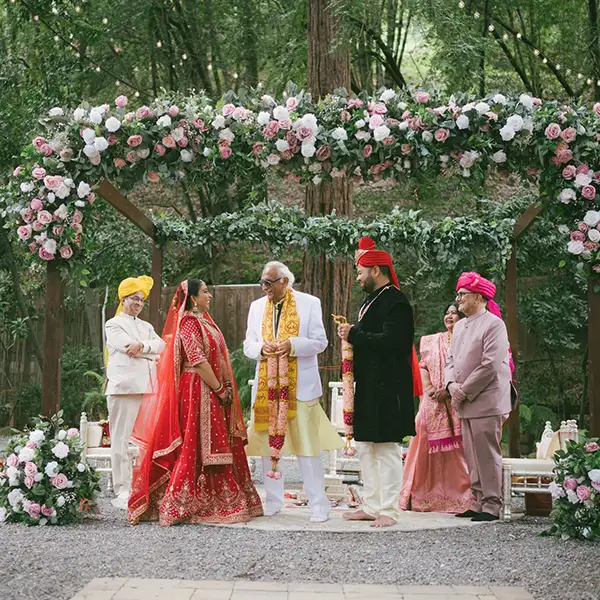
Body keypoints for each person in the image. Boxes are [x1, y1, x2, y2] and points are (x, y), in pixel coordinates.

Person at [127, 279, 263, 525]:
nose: (209, 296)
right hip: (196, 389)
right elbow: (198, 361)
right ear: (193, 298)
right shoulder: (189, 323)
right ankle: (182, 504)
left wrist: (225, 386)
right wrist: (219, 388)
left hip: (212, 388)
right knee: (193, 441)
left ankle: (218, 499)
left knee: (214, 440)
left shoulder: (207, 323)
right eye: (205, 292)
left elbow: (220, 358)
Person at [244, 261, 343, 523]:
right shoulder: (256, 307)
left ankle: (318, 505)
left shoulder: (309, 303)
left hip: (300, 386)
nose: (264, 288)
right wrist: (261, 349)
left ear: (284, 282)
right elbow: (248, 345)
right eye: (262, 282)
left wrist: (293, 345)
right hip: (267, 386)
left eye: (269, 283)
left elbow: (320, 342)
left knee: (307, 446)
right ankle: (273, 501)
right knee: (268, 446)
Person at [338, 237, 422, 528]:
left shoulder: (396, 302)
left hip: (389, 387)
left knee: (385, 449)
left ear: (376, 270)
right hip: (369, 386)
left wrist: (354, 334)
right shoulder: (372, 300)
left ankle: (389, 509)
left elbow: (394, 343)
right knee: (365, 447)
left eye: (361, 272)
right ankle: (372, 505)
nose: (358, 278)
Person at [444, 272, 512, 522]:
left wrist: (463, 390)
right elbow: (450, 360)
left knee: (486, 453)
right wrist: (451, 385)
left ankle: (492, 505)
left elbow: (490, 364)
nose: (458, 298)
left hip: (487, 399)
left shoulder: (494, 324)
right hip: (464, 399)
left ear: (478, 296)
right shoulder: (460, 326)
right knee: (471, 454)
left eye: (463, 294)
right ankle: (477, 501)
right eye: (458, 294)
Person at [399, 304, 472, 513]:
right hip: (431, 401)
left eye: (454, 313)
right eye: (447, 313)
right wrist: (429, 387)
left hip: (457, 400)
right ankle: (421, 496)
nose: (449, 316)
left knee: (457, 450)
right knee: (422, 438)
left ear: (462, 317)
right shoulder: (432, 341)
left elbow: (469, 369)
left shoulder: (467, 341)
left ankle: (460, 498)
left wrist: (448, 391)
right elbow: (422, 365)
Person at [104, 275, 165, 509]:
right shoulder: (113, 324)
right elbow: (127, 347)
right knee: (120, 439)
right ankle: (122, 489)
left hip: (148, 388)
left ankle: (144, 484)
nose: (138, 303)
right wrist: (147, 351)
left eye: (141, 300)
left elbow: (161, 346)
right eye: (134, 299)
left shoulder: (146, 326)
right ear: (123, 299)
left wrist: (143, 347)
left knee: (147, 441)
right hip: (124, 389)